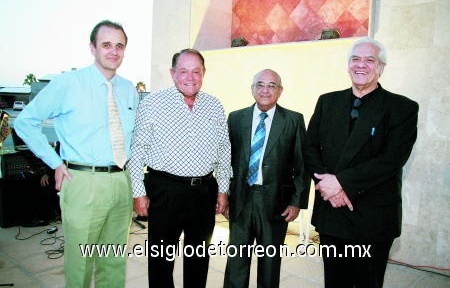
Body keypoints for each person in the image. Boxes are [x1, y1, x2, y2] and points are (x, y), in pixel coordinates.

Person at [14, 20, 138, 287]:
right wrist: (55, 163)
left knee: (114, 260)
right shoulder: (68, 84)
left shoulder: (128, 89)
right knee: (81, 261)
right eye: (106, 44)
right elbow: (25, 122)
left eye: (119, 45)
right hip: (83, 182)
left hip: (121, 181)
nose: (113, 51)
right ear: (92, 48)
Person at [304, 37, 419, 287]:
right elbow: (309, 147)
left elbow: (392, 159)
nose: (361, 65)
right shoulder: (327, 101)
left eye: (370, 60)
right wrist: (326, 185)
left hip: (372, 217)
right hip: (332, 213)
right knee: (335, 282)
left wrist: (340, 183)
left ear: (381, 68)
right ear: (348, 65)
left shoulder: (402, 108)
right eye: (355, 59)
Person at [128, 48, 232, 287]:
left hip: (203, 192)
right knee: (161, 261)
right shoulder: (153, 103)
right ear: (173, 73)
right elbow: (138, 150)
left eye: (196, 71)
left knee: (198, 258)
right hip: (165, 190)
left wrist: (223, 189)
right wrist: (138, 192)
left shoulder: (214, 106)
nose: (190, 77)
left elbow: (224, 151)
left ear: (204, 73)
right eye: (183, 71)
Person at [223, 69, 310, 287]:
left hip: (275, 203)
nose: (265, 90)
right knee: (236, 262)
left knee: (270, 263)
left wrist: (296, 201)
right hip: (241, 199)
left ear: (280, 91)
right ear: (252, 89)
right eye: (260, 85)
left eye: (272, 86)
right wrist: (224, 194)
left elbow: (302, 165)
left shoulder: (293, 120)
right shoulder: (235, 118)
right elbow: (225, 160)